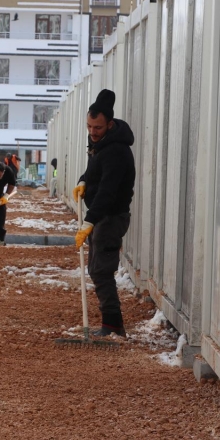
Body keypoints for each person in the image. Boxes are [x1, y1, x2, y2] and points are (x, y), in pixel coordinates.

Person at [73, 89, 135, 337]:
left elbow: (108, 192)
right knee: (97, 268)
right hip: (102, 217)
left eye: (97, 128)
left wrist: (89, 222)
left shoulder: (117, 151)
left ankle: (111, 324)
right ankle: (112, 323)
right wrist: (83, 181)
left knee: (101, 269)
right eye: (89, 126)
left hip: (111, 217)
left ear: (109, 124)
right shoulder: (100, 144)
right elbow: (93, 172)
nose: (92, 132)